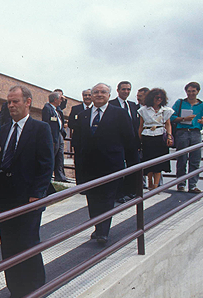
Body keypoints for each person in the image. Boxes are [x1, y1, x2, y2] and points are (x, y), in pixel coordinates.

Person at [0, 85, 53, 298]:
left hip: (28, 199)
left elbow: (46, 165)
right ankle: (15, 290)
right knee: (9, 245)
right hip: (6, 198)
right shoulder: (5, 129)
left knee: (27, 243)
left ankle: (33, 290)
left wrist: (36, 195)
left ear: (28, 102)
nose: (11, 105)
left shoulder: (40, 129)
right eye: (9, 102)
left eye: (15, 101)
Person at [74, 83, 139, 245]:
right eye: (95, 92)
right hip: (89, 167)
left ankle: (103, 231)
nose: (99, 95)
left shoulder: (120, 114)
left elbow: (129, 142)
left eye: (103, 92)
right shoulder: (83, 115)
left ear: (109, 95)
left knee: (107, 199)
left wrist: (133, 168)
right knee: (93, 200)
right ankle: (97, 227)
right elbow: (78, 143)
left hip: (111, 166)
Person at [138, 88, 174, 190]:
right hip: (147, 136)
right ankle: (150, 184)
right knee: (148, 161)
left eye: (160, 98)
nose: (158, 99)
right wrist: (139, 139)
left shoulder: (166, 110)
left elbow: (168, 124)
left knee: (160, 162)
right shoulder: (143, 110)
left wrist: (169, 136)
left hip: (160, 135)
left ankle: (156, 185)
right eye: (156, 97)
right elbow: (141, 125)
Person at [171, 81, 203, 193]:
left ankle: (192, 185)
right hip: (182, 132)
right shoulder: (180, 103)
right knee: (182, 159)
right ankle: (181, 184)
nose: (191, 94)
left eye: (193, 91)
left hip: (195, 132)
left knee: (195, 160)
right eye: (189, 91)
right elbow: (171, 117)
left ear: (198, 91)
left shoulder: (201, 104)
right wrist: (184, 119)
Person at [42, 92, 68, 182]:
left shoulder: (57, 109)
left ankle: (60, 176)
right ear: (56, 99)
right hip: (53, 136)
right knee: (51, 156)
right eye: (60, 98)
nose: (61, 100)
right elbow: (46, 123)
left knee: (59, 156)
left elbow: (63, 106)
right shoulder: (47, 108)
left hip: (59, 134)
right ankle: (47, 176)